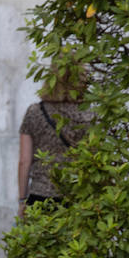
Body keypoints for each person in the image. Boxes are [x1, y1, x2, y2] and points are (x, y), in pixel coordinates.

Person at [16, 72, 91, 215]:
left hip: (39, 196)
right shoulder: (88, 114)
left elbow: (24, 161)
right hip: (76, 197)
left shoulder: (34, 112)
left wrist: (22, 200)